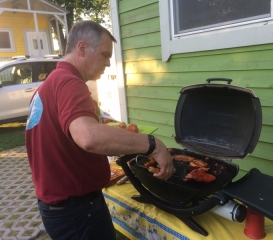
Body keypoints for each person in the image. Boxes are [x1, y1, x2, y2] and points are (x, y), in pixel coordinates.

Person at [25, 20, 175, 240]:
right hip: (77, 211)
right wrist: (152, 145)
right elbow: (87, 136)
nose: (108, 63)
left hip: (58, 208)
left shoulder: (49, 84)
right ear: (82, 48)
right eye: (105, 55)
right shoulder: (69, 82)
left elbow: (67, 135)